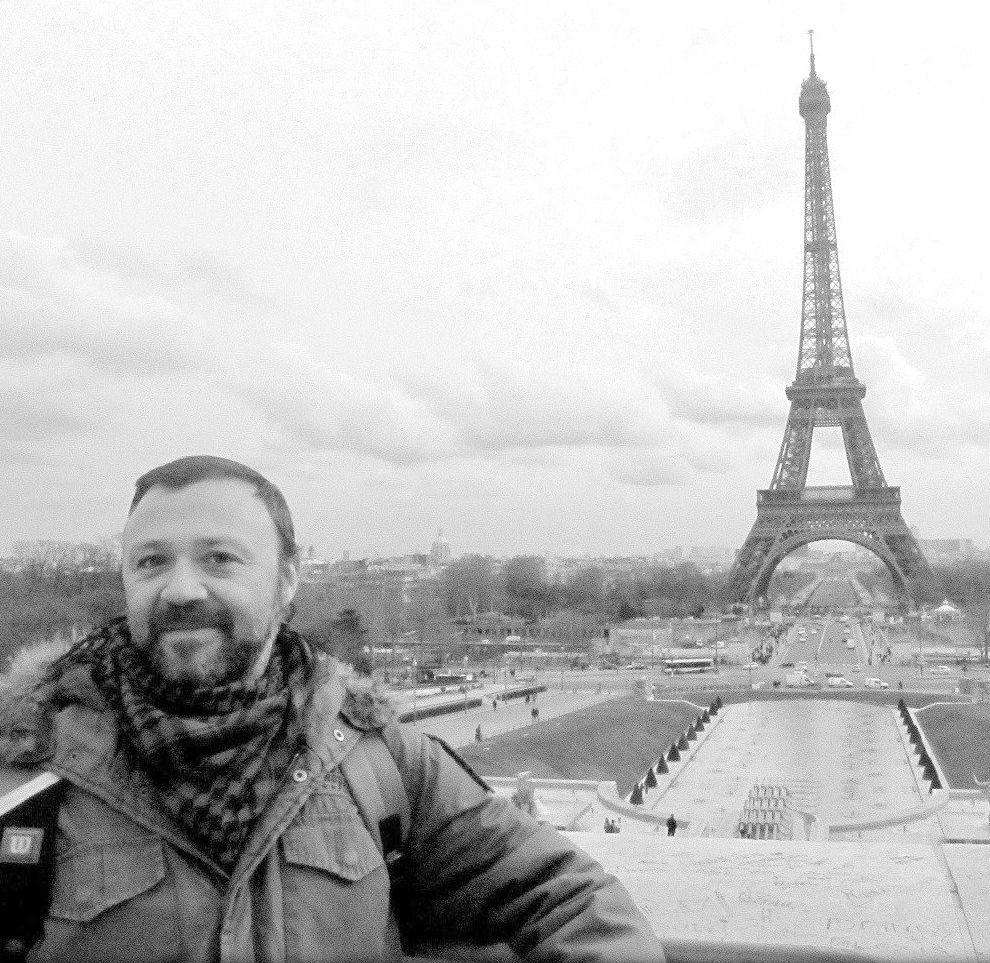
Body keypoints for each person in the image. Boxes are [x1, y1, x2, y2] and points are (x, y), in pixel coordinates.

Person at [0, 456, 663, 962]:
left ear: (288, 578)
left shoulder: (381, 758)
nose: (180, 588)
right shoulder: (21, 775)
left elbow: (571, 896)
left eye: (218, 558)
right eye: (150, 562)